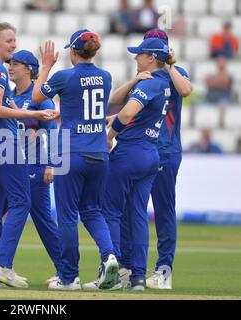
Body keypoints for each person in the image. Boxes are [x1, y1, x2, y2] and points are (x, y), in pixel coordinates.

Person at [32, 30, 119, 291]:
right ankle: (109, 256)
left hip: (71, 153)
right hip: (99, 154)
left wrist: (46, 65)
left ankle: (69, 277)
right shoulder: (105, 76)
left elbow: (37, 98)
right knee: (92, 210)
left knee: (68, 216)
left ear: (72, 51)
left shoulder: (64, 76)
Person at [0, 22, 58, 288]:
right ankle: (4, 266)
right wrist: (34, 114)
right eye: (9, 41)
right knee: (21, 203)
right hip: (3, 143)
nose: (13, 45)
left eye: (15, 40)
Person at [109, 29, 193, 290]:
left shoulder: (174, 73)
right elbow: (125, 106)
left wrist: (170, 66)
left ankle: (163, 269)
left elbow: (186, 89)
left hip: (166, 150)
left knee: (163, 211)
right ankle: (129, 267)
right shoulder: (145, 77)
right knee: (132, 211)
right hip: (144, 148)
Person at [102, 37, 172, 291]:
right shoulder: (165, 83)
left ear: (151, 58)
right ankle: (138, 277)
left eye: (140, 55)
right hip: (150, 153)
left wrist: (110, 135)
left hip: (130, 153)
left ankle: (113, 271)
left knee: (110, 211)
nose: (136, 58)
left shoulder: (150, 83)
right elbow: (135, 114)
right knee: (138, 216)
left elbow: (128, 111)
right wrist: (117, 118)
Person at [9, 49, 64, 285]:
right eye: (10, 62)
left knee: (42, 219)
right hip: (9, 165)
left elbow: (52, 132)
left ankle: (65, 270)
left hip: (35, 165)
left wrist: (51, 165)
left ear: (29, 69)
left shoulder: (41, 98)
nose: (10, 66)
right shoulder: (8, 95)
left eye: (16, 64)